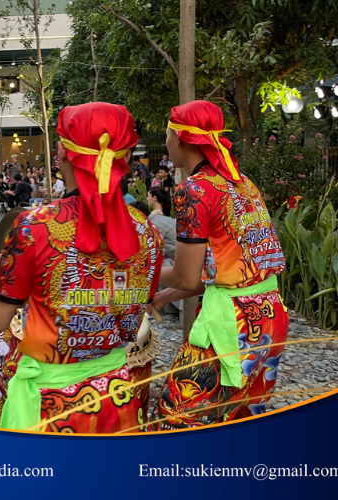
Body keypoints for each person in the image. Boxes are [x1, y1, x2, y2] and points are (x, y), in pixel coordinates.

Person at [0, 102, 163, 432]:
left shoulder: (34, 227)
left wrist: (8, 272)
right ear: (125, 157)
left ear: (63, 152)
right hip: (120, 395)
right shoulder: (147, 230)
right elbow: (136, 303)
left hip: (53, 405)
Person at [148, 100, 288, 429]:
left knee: (176, 421)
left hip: (231, 326)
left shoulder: (193, 190)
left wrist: (138, 273)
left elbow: (186, 276)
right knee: (241, 420)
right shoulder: (243, 184)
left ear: (179, 137)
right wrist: (165, 296)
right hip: (269, 318)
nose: (166, 141)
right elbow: (225, 270)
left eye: (167, 133)